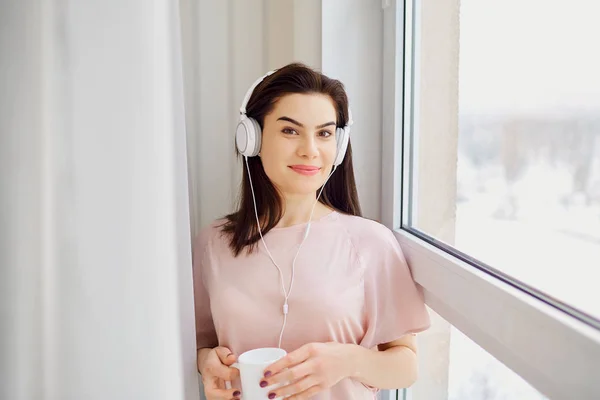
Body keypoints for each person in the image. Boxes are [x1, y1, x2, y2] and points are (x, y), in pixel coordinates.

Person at [193, 62, 430, 400]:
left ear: (339, 144)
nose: (310, 149)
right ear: (253, 138)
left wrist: (347, 360)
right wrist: (207, 363)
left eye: (324, 133)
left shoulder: (370, 243)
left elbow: (406, 365)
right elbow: (201, 344)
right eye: (290, 131)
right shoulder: (213, 243)